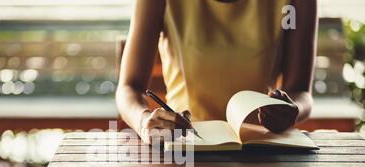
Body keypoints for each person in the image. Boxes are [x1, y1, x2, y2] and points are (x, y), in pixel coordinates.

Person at [116, 0, 317, 144]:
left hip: (261, 145)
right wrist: (143, 121)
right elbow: (129, 86)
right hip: (183, 142)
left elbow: (301, 92)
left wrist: (292, 110)